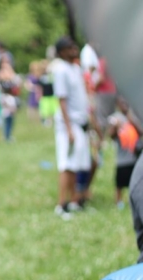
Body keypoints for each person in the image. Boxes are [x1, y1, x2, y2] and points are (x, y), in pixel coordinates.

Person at [52, 36, 90, 219]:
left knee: (77, 164)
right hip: (69, 124)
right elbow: (62, 100)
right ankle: (61, 204)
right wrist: (68, 129)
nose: (73, 49)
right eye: (69, 47)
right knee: (66, 164)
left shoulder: (75, 68)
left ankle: (75, 201)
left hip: (80, 122)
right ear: (61, 52)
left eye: (74, 46)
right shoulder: (60, 70)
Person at [109, 96, 142, 209]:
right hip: (122, 158)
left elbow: (140, 131)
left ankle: (133, 201)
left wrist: (130, 118)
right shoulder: (116, 118)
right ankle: (118, 202)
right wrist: (116, 128)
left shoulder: (133, 116)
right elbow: (111, 135)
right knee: (120, 183)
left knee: (135, 181)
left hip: (133, 157)